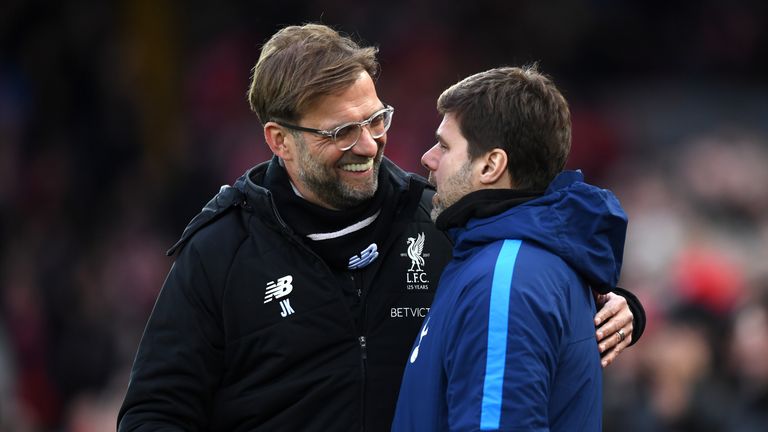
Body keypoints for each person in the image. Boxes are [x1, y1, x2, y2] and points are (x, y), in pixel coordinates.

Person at [117, 25, 643, 431]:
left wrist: (615, 303)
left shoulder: (437, 219)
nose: (368, 144)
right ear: (279, 140)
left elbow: (531, 249)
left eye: (376, 119)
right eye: (343, 131)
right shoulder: (221, 249)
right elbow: (153, 412)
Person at [392, 66, 628, 431]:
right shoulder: (511, 259)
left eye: (443, 145)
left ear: (491, 165)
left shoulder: (505, 280)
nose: (428, 158)